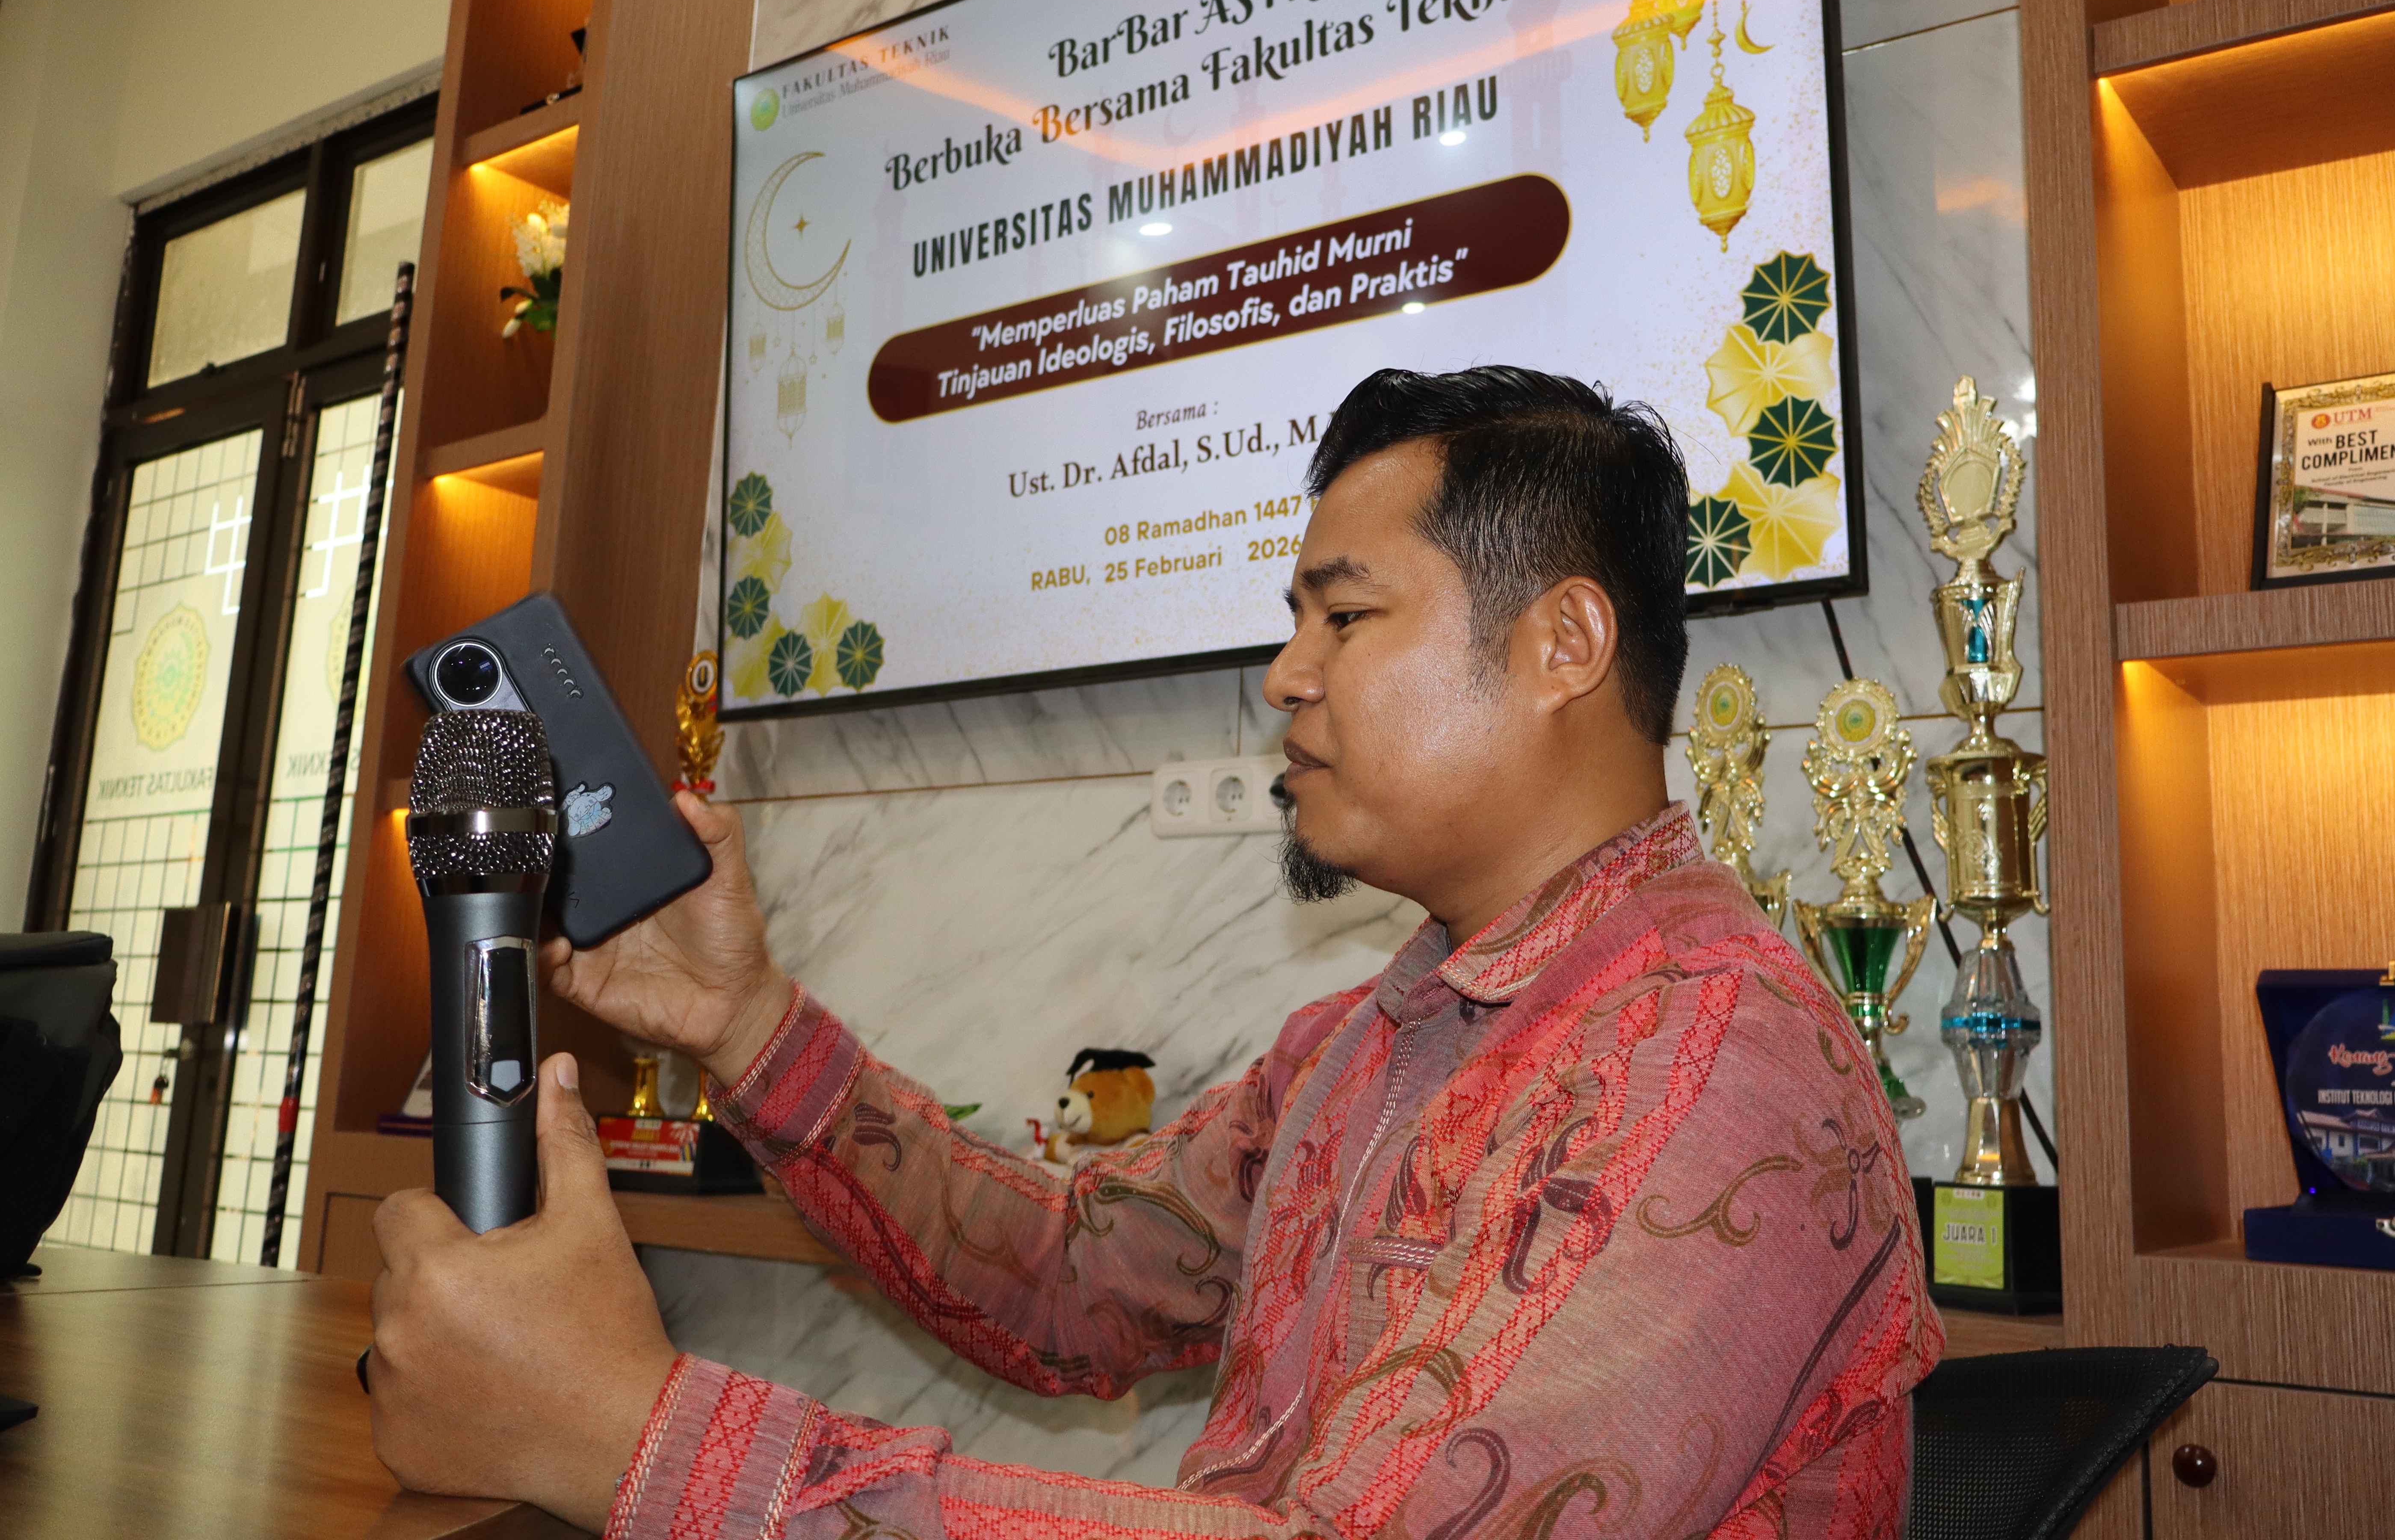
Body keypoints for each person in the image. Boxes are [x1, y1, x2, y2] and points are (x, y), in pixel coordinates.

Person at [365, 366, 1941, 1538]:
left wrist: (640, 1441)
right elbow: (1068, 1281)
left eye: (1344, 617)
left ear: (1564, 646)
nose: (1285, 677)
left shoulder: (1709, 1056)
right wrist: (747, 1022)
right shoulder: (1366, 1043)